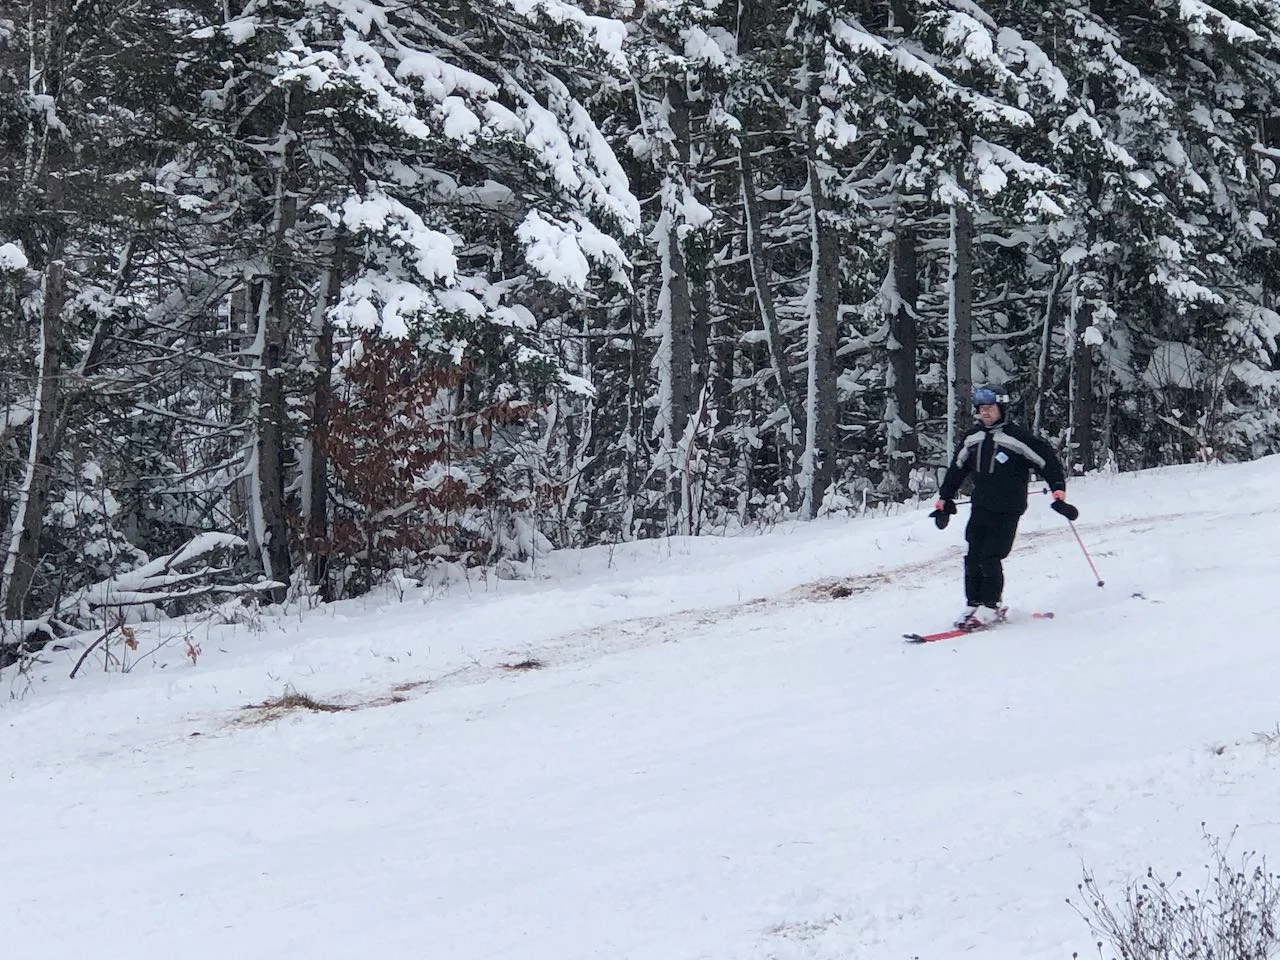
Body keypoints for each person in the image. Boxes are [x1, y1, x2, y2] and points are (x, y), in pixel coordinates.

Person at [930, 385, 1078, 630]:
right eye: (981, 409)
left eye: (990, 408)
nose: (985, 413)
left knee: (990, 555)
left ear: (1001, 409)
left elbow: (1046, 461)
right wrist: (944, 500)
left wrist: (1058, 491)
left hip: (1008, 507)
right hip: (981, 506)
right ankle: (973, 603)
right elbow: (957, 470)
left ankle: (991, 606)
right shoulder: (973, 438)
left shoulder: (1017, 438)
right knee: (973, 556)